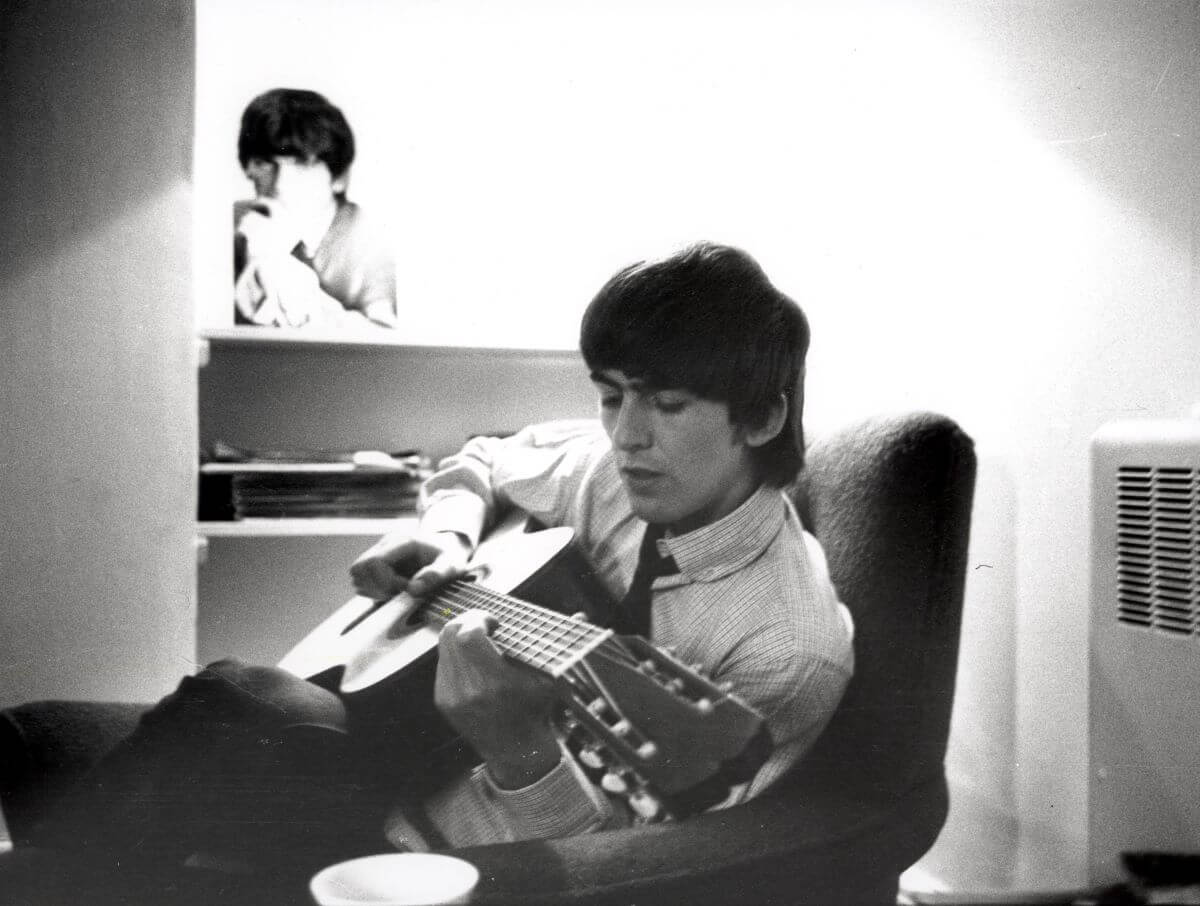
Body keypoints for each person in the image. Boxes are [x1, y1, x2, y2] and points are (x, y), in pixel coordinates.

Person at [33, 242, 851, 870]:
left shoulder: (787, 647)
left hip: (451, 854)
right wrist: (451, 533)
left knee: (232, 701)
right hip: (404, 747)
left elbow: (634, 860)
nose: (625, 435)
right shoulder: (610, 473)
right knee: (62, 742)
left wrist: (523, 751)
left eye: (667, 404)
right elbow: (488, 457)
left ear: (763, 418)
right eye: (609, 395)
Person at [233, 88, 397, 329]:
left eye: (301, 164)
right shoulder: (237, 230)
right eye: (266, 164)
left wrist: (280, 267)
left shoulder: (372, 239)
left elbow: (388, 347)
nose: (280, 184)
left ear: (338, 177)